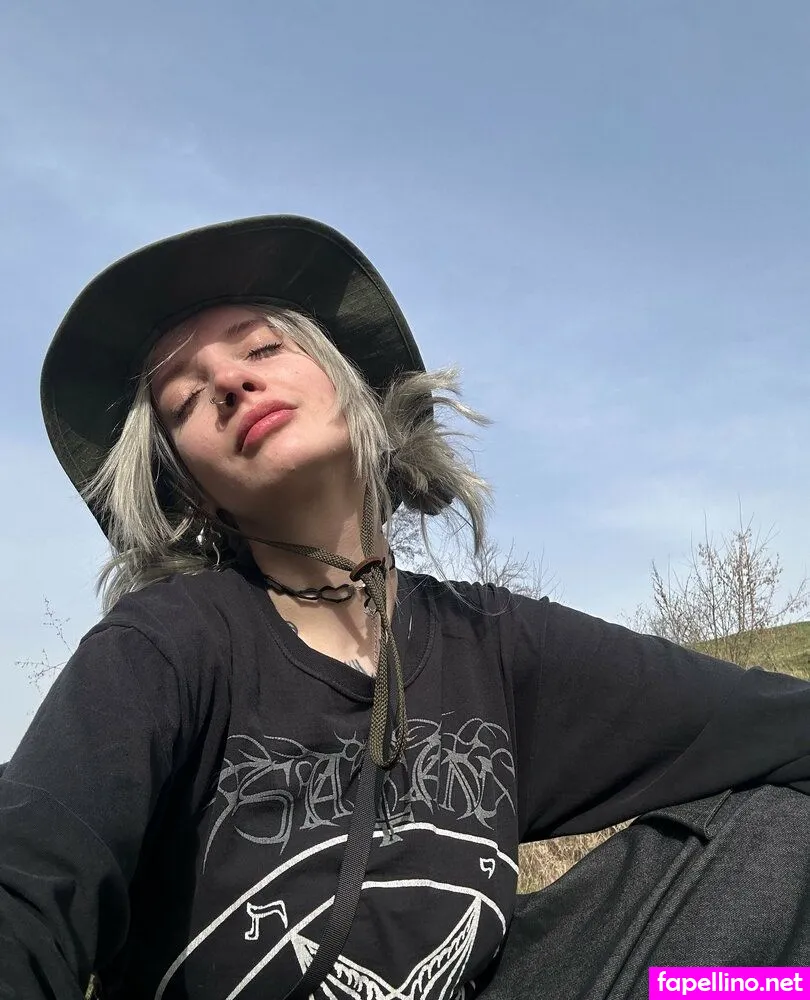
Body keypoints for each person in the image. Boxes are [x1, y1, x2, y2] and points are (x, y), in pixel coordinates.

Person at [2, 215, 810, 999]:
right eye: (184, 401)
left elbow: (774, 725)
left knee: (781, 837)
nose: (230, 383)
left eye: (263, 348)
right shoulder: (166, 644)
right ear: (193, 493)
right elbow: (28, 876)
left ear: (352, 386)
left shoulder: (490, 640)